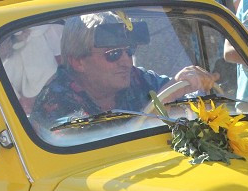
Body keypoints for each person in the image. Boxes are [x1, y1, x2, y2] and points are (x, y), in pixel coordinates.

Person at [34, 12, 217, 128]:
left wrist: (192, 86)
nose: (127, 62)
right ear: (78, 62)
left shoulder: (136, 77)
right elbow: (104, 151)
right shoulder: (54, 103)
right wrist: (164, 99)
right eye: (113, 54)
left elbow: (182, 100)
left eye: (129, 51)